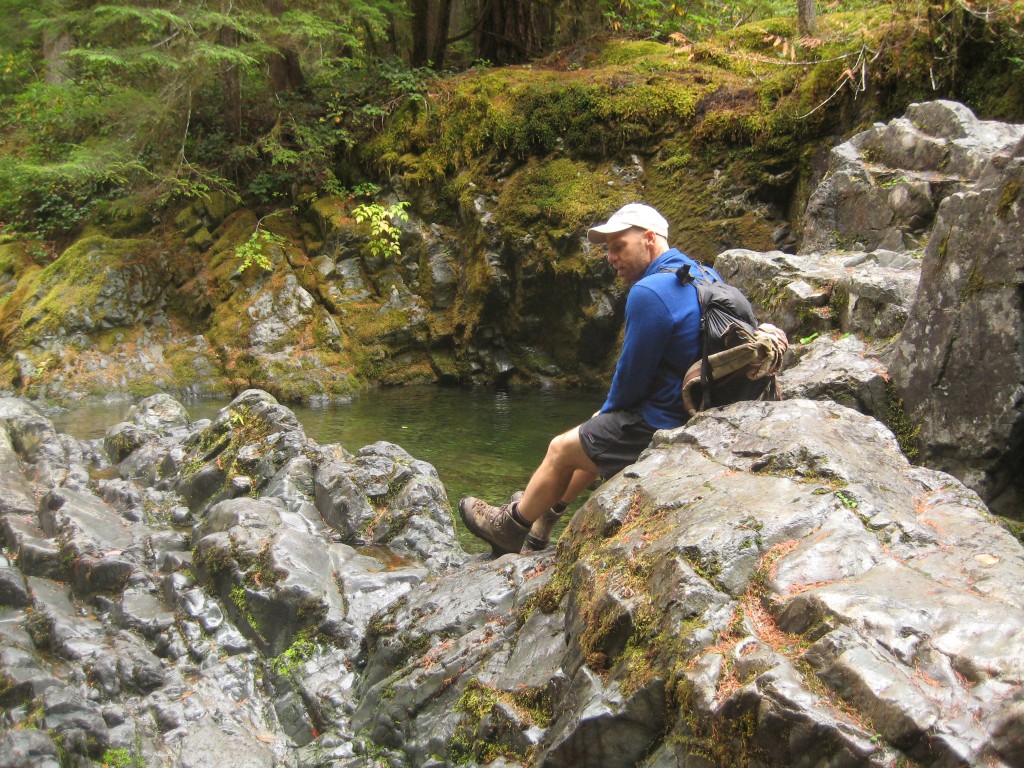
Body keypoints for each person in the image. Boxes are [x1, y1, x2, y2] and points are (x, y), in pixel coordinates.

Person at [459, 203, 721, 555]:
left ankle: (510, 526)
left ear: (649, 239)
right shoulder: (704, 275)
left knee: (562, 447)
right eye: (608, 249)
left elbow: (630, 377)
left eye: (618, 247)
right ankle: (543, 522)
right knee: (593, 435)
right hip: (702, 410)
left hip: (665, 420)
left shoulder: (651, 292)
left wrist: (606, 412)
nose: (611, 258)